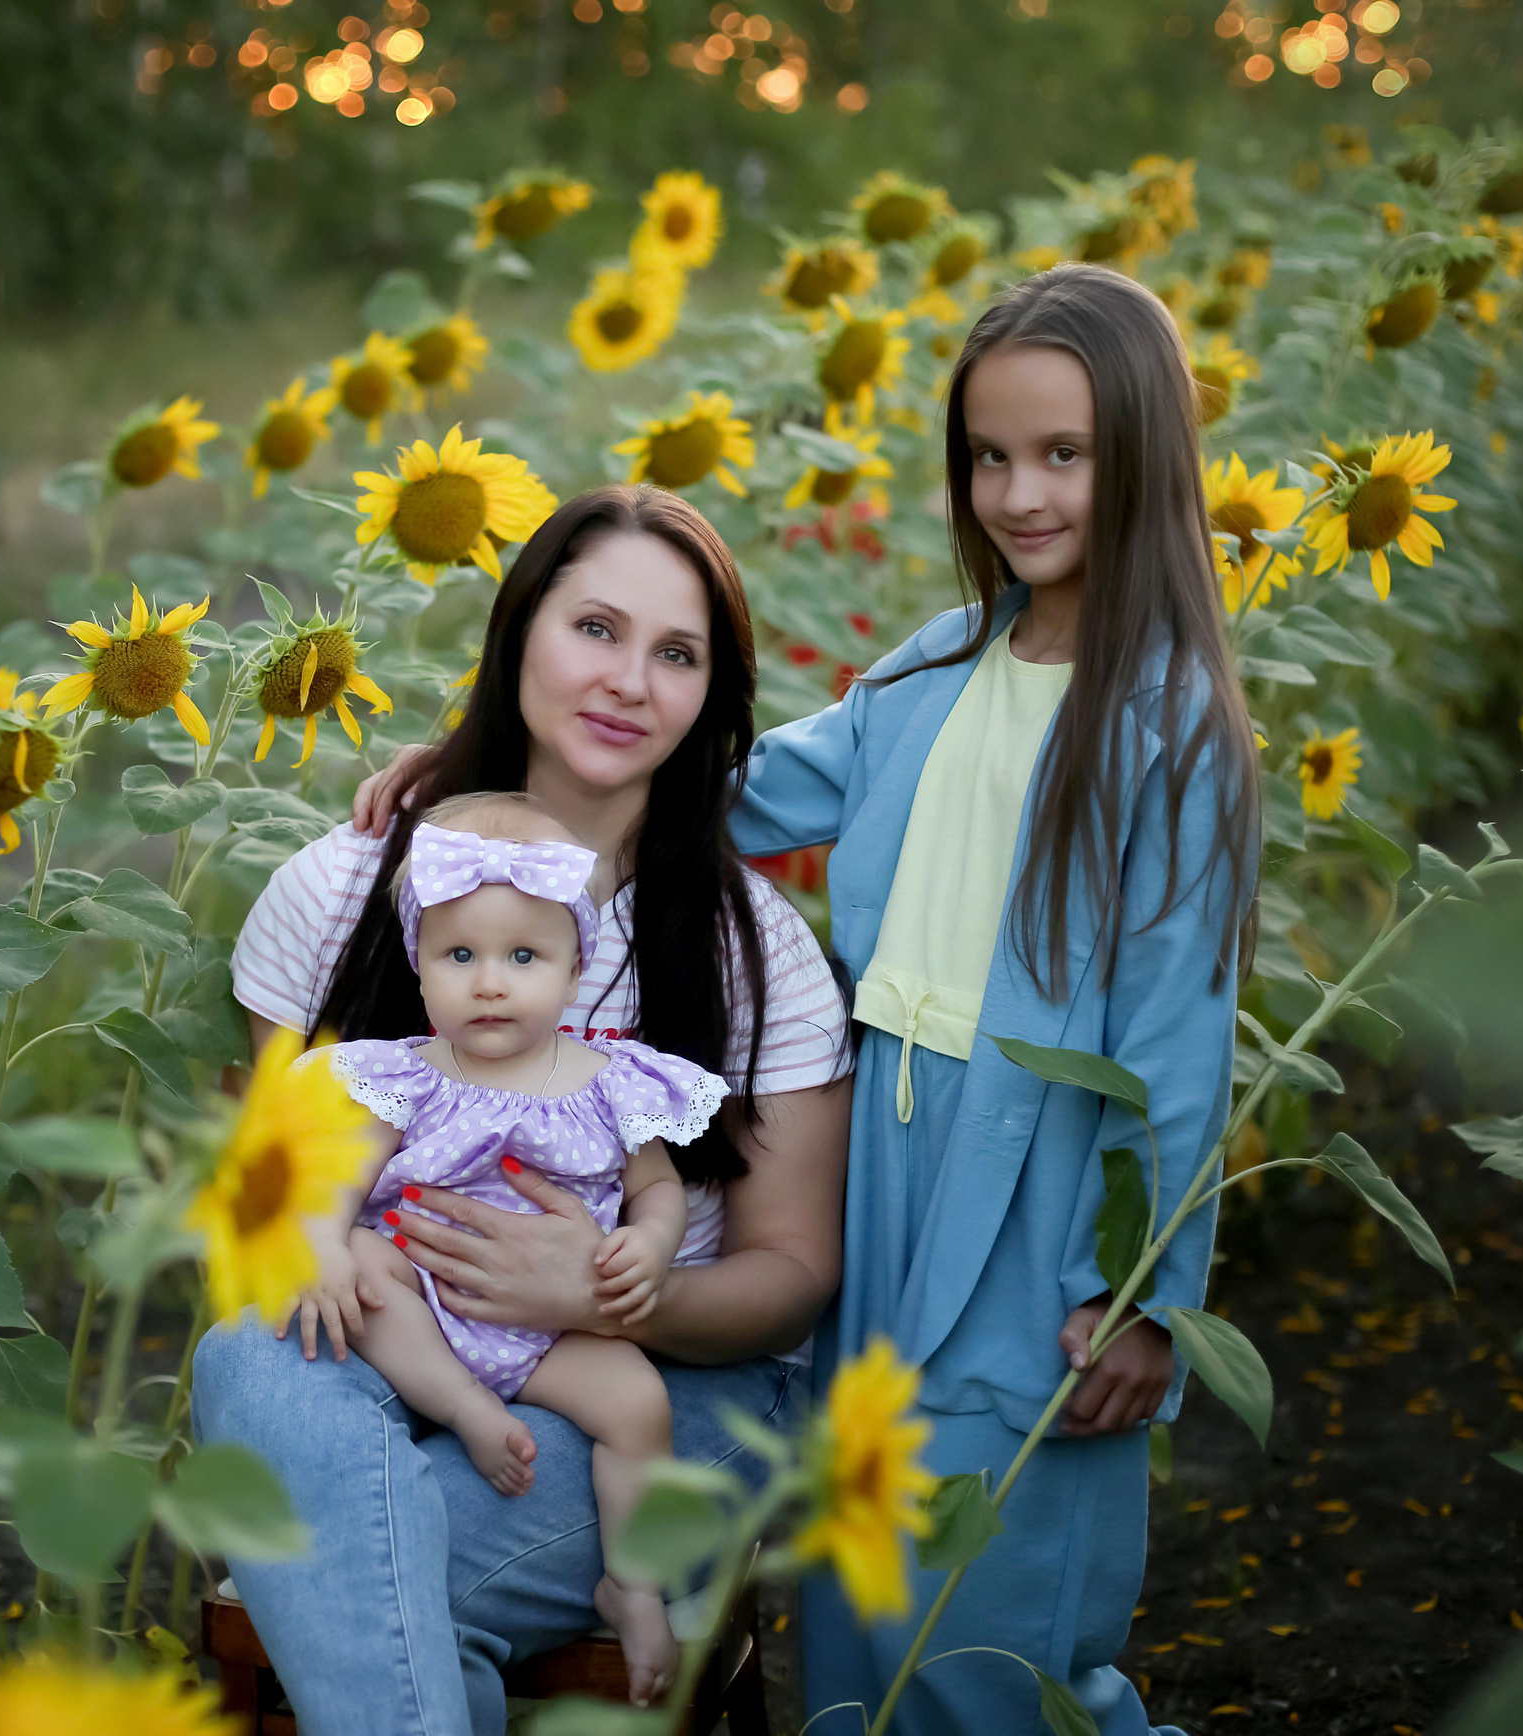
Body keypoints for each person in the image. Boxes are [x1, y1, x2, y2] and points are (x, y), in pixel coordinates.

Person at [357, 262, 1256, 1731]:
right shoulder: (938, 666)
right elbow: (721, 782)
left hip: (1038, 1160)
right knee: (863, 1529)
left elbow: (1173, 1029)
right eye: (988, 457)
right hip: (884, 1137)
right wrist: (477, 784)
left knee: (999, 1568)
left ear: (1144, 456)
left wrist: (1145, 1287)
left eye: (1064, 455)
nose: (1019, 494)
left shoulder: (1170, 727)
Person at [195, 483, 855, 1736]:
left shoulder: (750, 951)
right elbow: (268, 1208)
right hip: (386, 1352)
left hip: (662, 1394)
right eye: (594, 629)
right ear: (519, 636)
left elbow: (793, 1273)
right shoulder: (342, 891)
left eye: (676, 655)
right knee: (248, 1361)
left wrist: (615, 1291)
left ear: (712, 698)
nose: (628, 681)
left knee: (374, 1594)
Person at [296, 792, 730, 1705]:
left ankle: (633, 1581)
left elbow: (655, 1190)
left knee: (638, 1404)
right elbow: (338, 1183)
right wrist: (323, 1242)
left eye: (523, 956)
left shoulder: (611, 1081)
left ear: (576, 970)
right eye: (460, 956)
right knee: (369, 1273)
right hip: (425, 1297)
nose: (490, 982)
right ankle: (458, 1408)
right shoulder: (407, 1077)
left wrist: (649, 1247)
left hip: (550, 1328)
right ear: (420, 971)